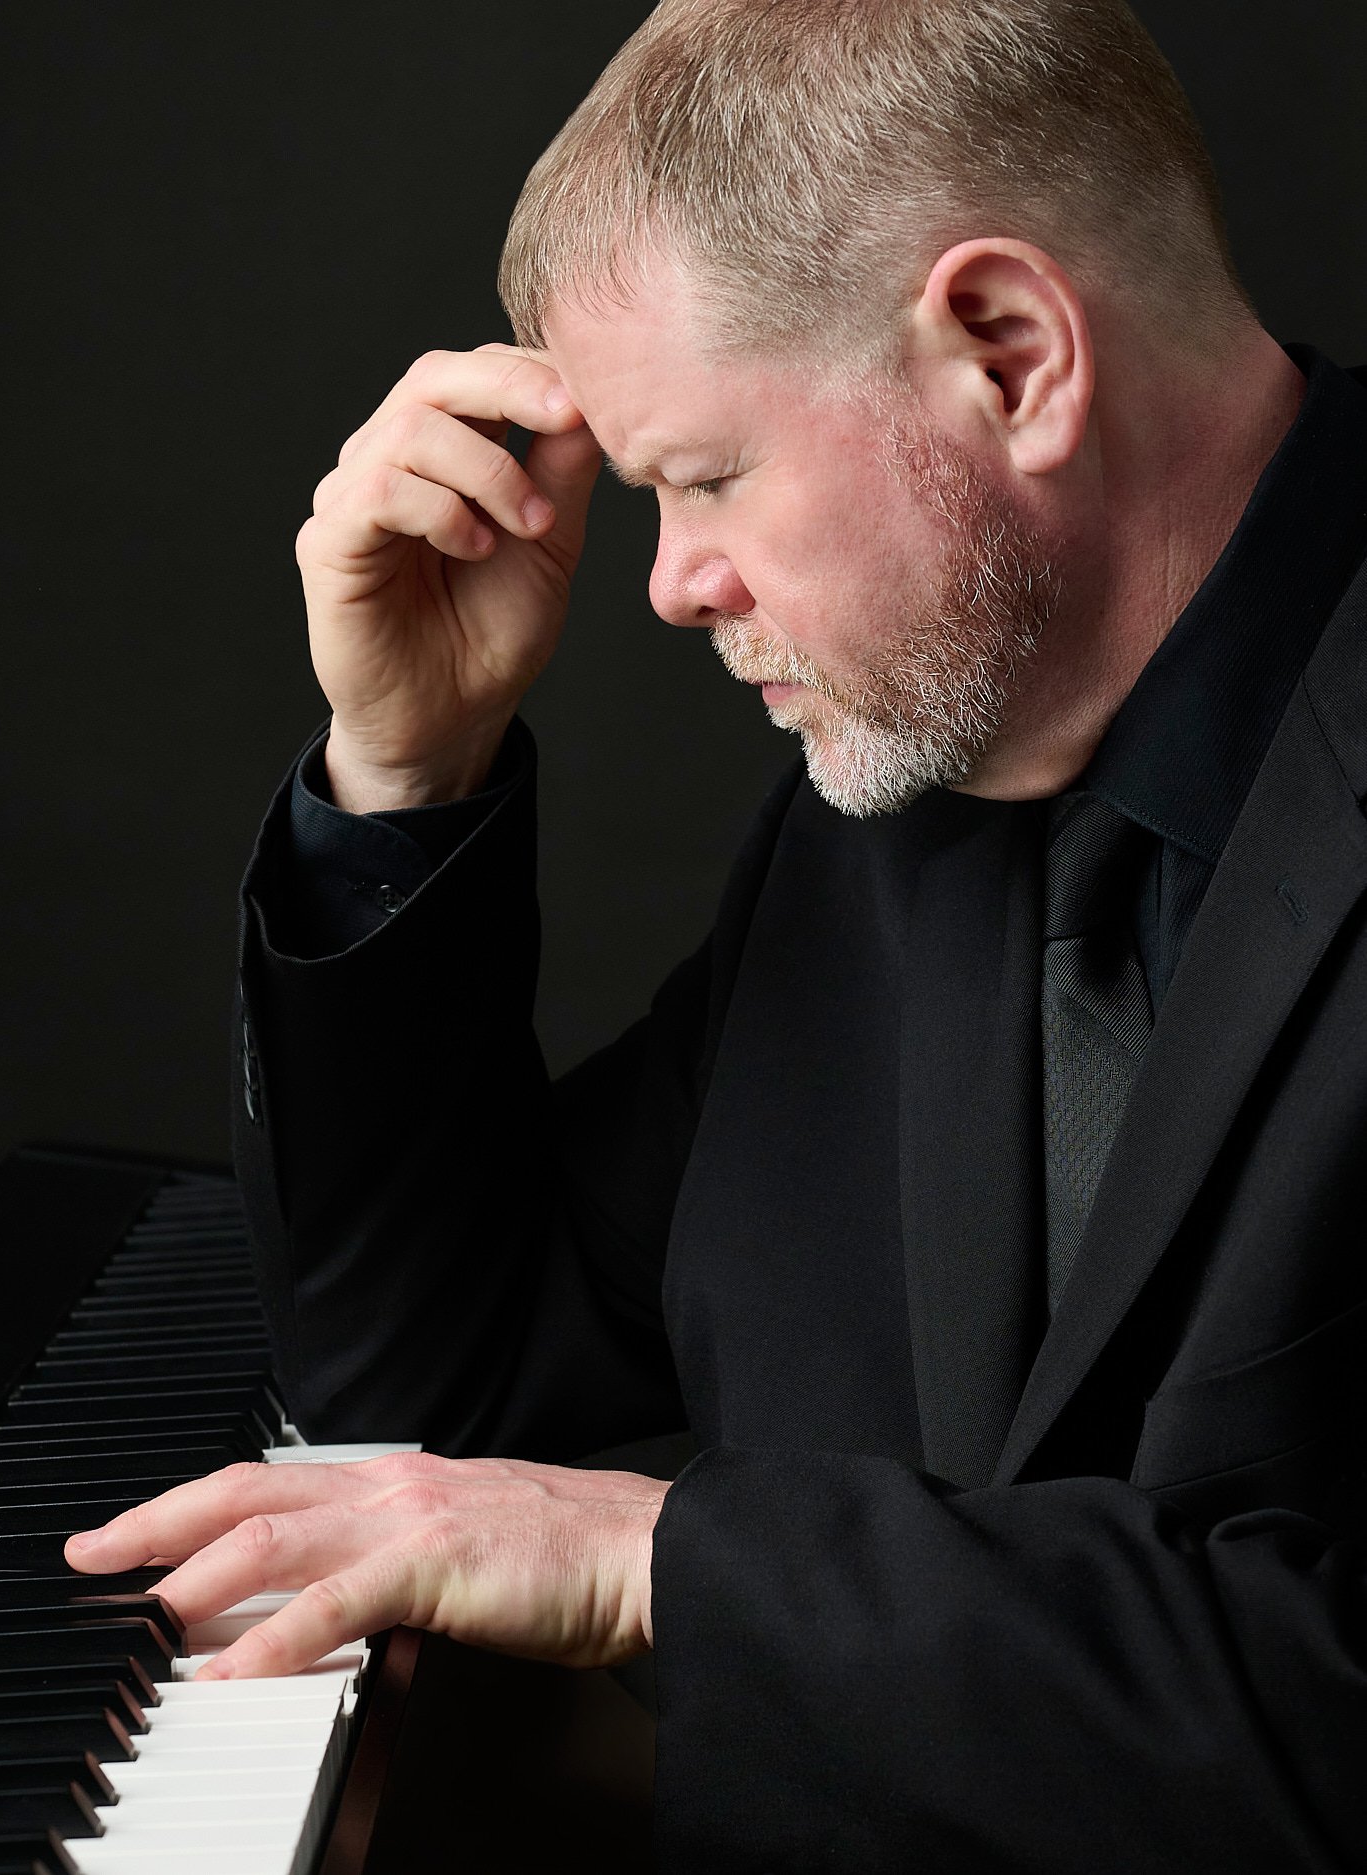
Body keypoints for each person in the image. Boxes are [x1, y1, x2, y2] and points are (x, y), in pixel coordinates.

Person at [66, 0, 1367, 1866]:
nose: (669, 585)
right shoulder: (908, 777)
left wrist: (643, 1559)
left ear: (1008, 352)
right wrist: (405, 773)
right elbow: (435, 1391)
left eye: (710, 475)